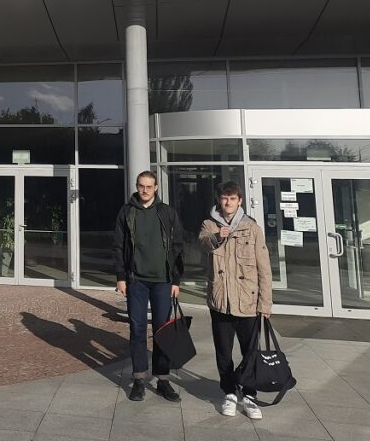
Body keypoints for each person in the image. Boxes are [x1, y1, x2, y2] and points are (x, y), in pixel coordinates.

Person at [198, 181, 273, 420]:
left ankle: (249, 394)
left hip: (247, 301)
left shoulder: (252, 228)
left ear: (239, 201)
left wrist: (265, 303)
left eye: (232, 198)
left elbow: (264, 268)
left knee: (250, 351)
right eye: (224, 198)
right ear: (219, 200)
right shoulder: (209, 224)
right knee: (223, 352)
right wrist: (216, 237)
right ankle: (229, 392)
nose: (228, 202)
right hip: (220, 300)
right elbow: (203, 244)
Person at [112, 170, 185, 403]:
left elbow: (177, 246)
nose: (144, 190)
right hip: (136, 281)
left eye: (149, 186)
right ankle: (139, 379)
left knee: (162, 331)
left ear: (156, 188)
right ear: (137, 186)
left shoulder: (167, 212)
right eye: (141, 186)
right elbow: (118, 246)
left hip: (163, 281)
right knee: (137, 329)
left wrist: (176, 280)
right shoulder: (127, 212)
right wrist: (121, 277)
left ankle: (163, 380)